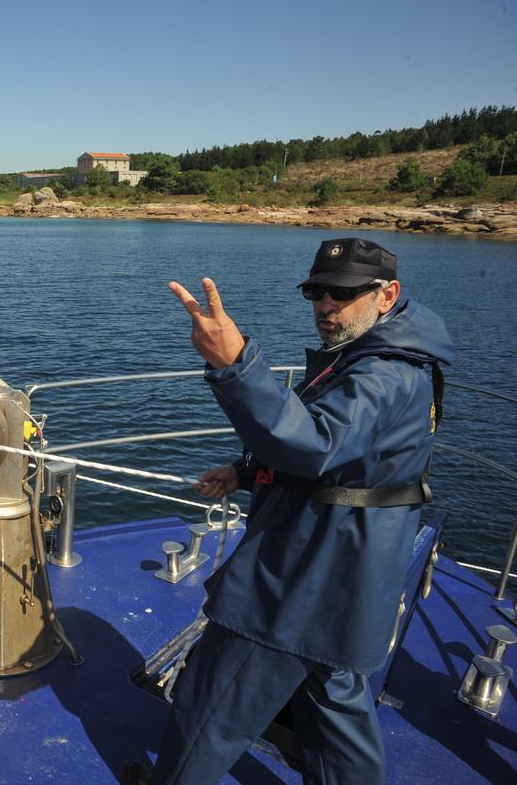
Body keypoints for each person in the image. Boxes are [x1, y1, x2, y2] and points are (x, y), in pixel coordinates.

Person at [131, 239, 453, 785]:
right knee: (335, 715)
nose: (326, 305)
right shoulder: (388, 355)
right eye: (316, 291)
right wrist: (248, 470)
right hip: (353, 579)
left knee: (212, 708)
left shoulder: (385, 375)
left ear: (386, 294)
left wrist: (235, 365)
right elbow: (354, 460)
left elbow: (315, 444)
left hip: (299, 582)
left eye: (344, 293)